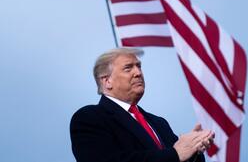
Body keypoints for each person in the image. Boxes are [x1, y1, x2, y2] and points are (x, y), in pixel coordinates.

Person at [70, 48, 214, 162]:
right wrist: (175, 154)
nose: (138, 73)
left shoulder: (159, 123)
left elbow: (179, 155)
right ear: (107, 81)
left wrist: (193, 150)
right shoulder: (89, 118)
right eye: (128, 68)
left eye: (139, 66)